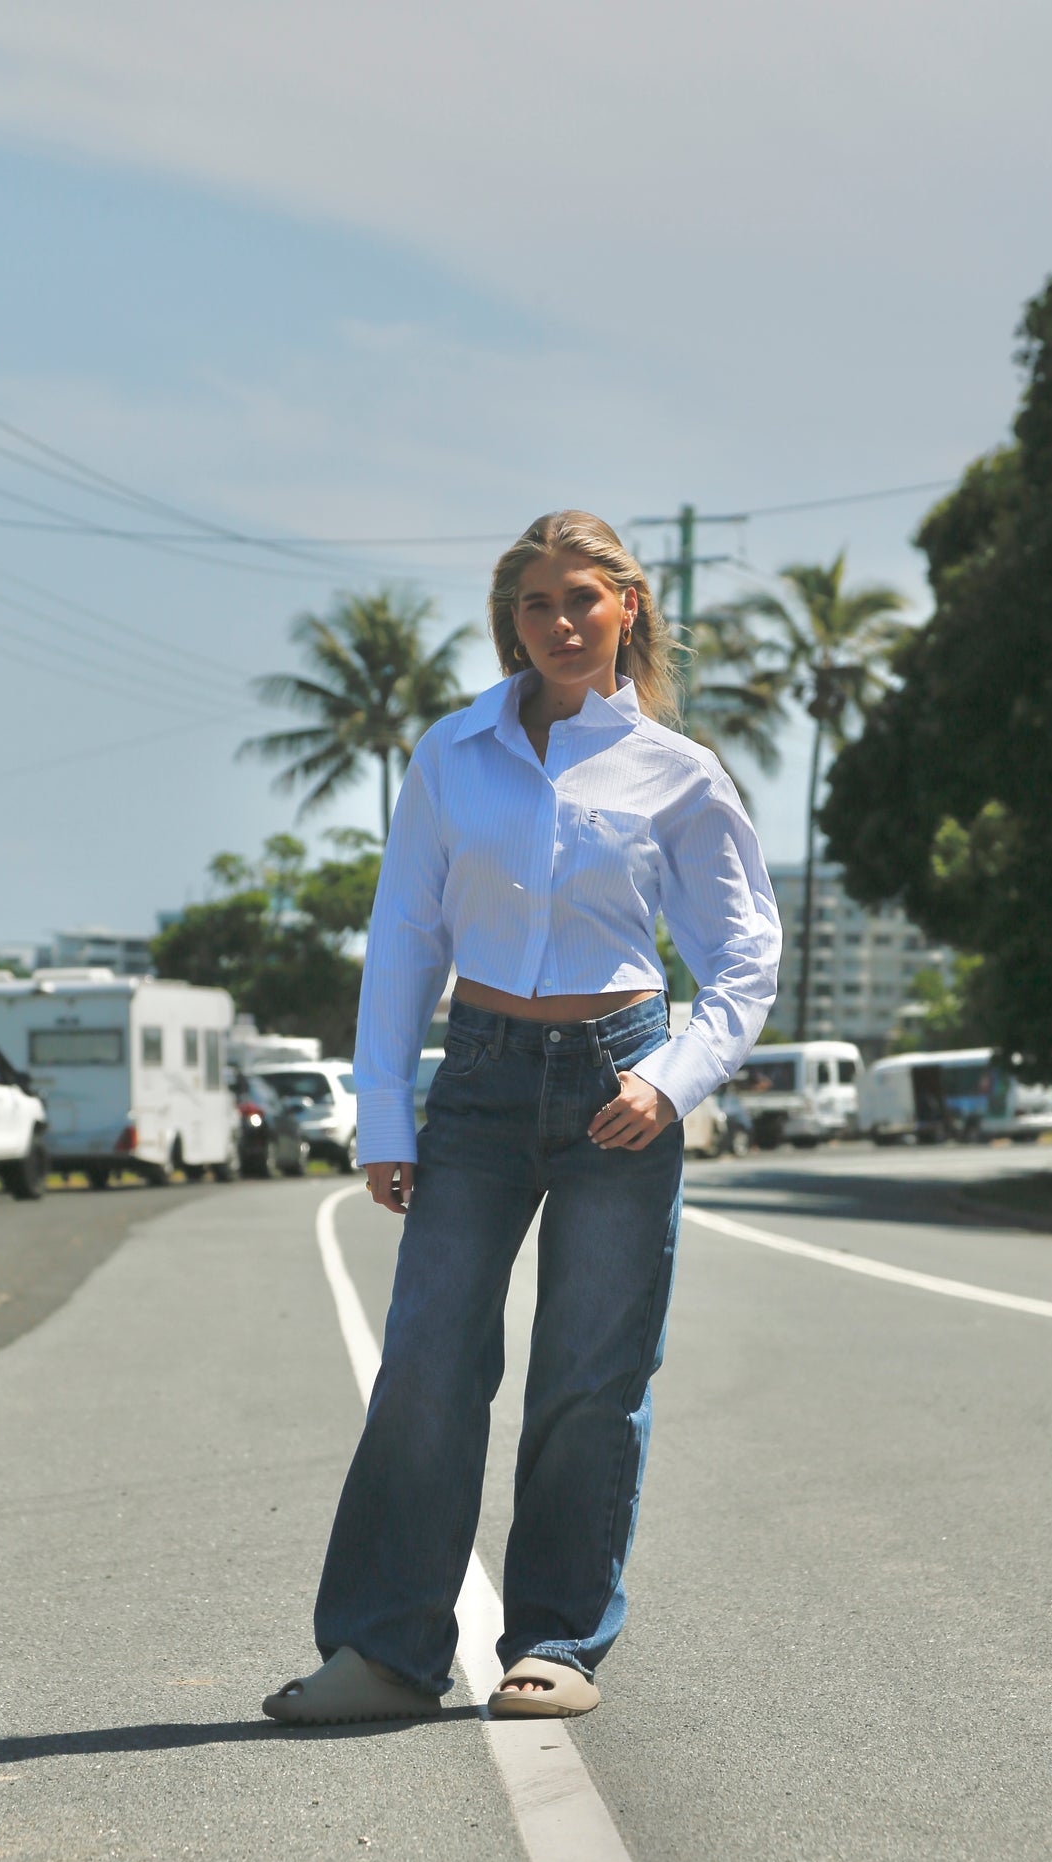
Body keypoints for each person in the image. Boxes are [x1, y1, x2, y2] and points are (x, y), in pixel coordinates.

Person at [263, 511, 781, 1726]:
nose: (557, 623)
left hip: (622, 1083)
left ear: (626, 612)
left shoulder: (677, 772)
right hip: (481, 1077)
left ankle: (553, 1640)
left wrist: (669, 1081)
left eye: (580, 601)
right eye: (535, 605)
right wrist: (382, 1114)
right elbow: (406, 935)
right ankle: (387, 1652)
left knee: (589, 1378)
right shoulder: (452, 754)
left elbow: (741, 960)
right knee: (430, 1366)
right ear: (512, 622)